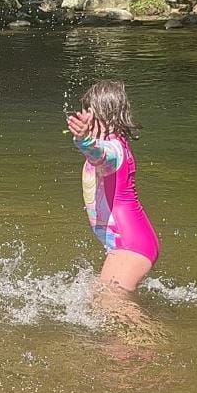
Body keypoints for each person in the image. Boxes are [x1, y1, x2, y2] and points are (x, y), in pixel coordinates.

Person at [65, 79, 159, 293]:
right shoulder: (117, 145)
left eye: (88, 111)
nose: (84, 118)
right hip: (130, 243)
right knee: (98, 301)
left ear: (105, 116)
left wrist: (84, 141)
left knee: (112, 310)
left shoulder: (113, 150)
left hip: (130, 243)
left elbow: (99, 155)